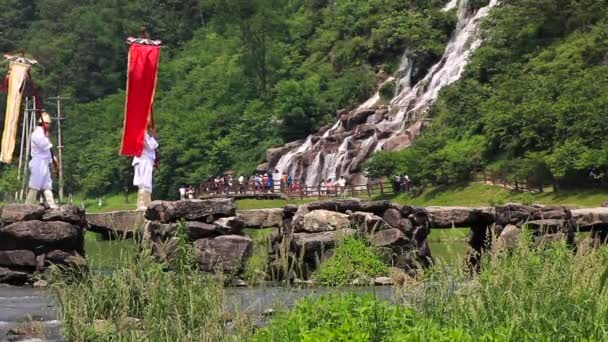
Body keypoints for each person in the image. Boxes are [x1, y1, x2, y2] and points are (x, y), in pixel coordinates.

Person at [25, 112, 58, 208]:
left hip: (44, 163)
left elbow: (48, 153)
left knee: (47, 184)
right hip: (38, 163)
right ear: (45, 124)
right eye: (48, 124)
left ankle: (52, 204)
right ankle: (27, 205)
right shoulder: (37, 134)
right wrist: (47, 139)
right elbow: (44, 146)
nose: (49, 126)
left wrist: (54, 160)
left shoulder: (43, 134)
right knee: (35, 185)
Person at [132, 129, 158, 210]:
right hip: (143, 160)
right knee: (144, 182)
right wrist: (153, 136)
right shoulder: (141, 133)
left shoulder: (142, 133)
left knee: (146, 182)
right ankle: (142, 203)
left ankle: (146, 203)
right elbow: (150, 146)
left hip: (144, 159)